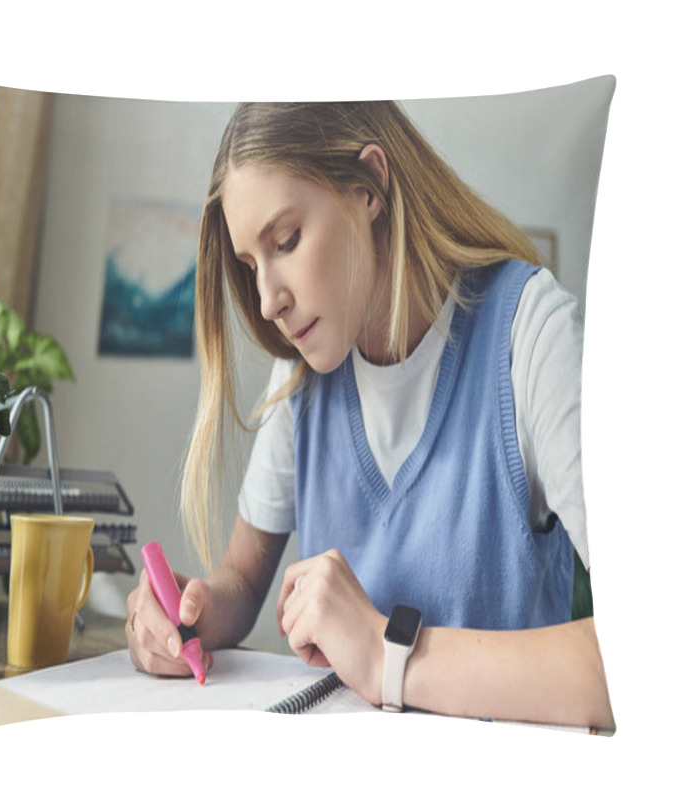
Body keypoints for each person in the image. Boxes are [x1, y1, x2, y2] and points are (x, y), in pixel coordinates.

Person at [125, 101, 614, 730]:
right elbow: (242, 583)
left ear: (369, 188)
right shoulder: (300, 377)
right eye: (251, 267)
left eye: (287, 241)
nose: (269, 301)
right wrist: (185, 617)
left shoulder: (533, 334)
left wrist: (386, 653)